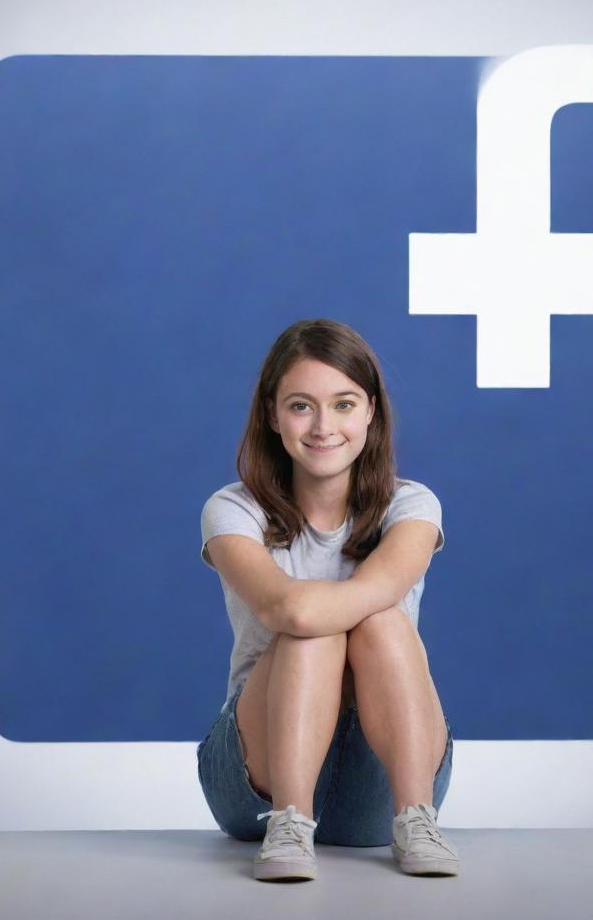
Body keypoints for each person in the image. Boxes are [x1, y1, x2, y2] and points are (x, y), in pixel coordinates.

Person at [196, 318, 458, 881]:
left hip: (381, 781)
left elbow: (372, 593)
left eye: (343, 404)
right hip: (256, 783)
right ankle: (290, 824)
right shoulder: (231, 510)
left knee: (382, 622)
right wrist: (318, 612)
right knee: (308, 633)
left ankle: (417, 819)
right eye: (300, 406)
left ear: (371, 413)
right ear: (272, 414)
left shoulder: (412, 505)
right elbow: (285, 611)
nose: (322, 426)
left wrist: (327, 608)